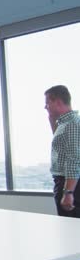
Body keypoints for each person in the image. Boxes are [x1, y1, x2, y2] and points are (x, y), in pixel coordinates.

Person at [44, 85, 80, 217]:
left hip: (70, 184)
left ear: (58, 102)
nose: (45, 107)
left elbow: (74, 159)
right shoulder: (65, 124)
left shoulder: (71, 124)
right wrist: (52, 121)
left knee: (71, 228)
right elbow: (61, 147)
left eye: (47, 103)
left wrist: (68, 193)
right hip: (65, 182)